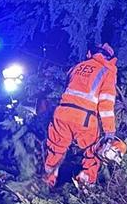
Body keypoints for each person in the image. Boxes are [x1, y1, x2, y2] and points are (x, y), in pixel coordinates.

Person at [42, 42, 118, 188]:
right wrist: (109, 131)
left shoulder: (76, 68)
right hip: (85, 118)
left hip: (62, 113)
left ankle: (46, 183)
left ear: (91, 53)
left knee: (55, 149)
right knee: (93, 153)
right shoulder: (108, 71)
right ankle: (86, 184)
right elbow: (106, 104)